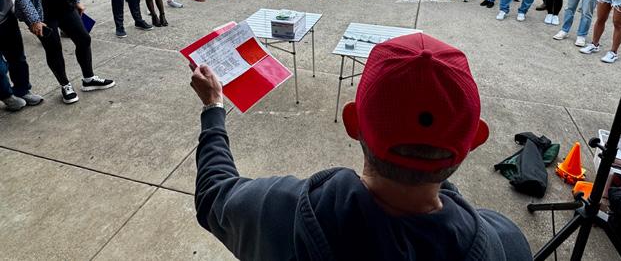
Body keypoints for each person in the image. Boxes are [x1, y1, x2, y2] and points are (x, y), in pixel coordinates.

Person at [191, 32, 532, 261]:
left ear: (353, 123)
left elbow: (213, 194)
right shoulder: (505, 244)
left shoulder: (280, 212)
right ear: (474, 141)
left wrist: (213, 107)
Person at [0, 0, 43, 111]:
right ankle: (6, 96)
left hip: (6, 18)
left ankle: (22, 90)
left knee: (17, 57)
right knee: (0, 68)